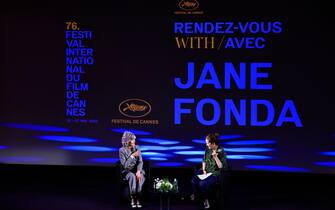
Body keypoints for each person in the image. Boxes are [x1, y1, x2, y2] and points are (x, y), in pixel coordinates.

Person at [191, 133, 228, 209]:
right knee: (194, 181)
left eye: (208, 143)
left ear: (213, 143)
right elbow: (204, 160)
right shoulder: (207, 149)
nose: (207, 145)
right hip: (206, 171)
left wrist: (216, 157)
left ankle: (206, 199)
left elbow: (221, 166)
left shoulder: (221, 151)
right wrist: (204, 169)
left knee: (202, 184)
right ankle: (198, 196)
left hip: (215, 173)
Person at [119, 131, 145, 208]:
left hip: (137, 170)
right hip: (127, 171)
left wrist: (138, 171)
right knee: (132, 176)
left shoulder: (137, 148)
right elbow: (125, 165)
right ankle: (133, 198)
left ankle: (138, 197)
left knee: (141, 176)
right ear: (127, 140)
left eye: (134, 139)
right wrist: (132, 156)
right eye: (132, 139)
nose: (134, 141)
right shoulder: (121, 150)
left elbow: (140, 161)